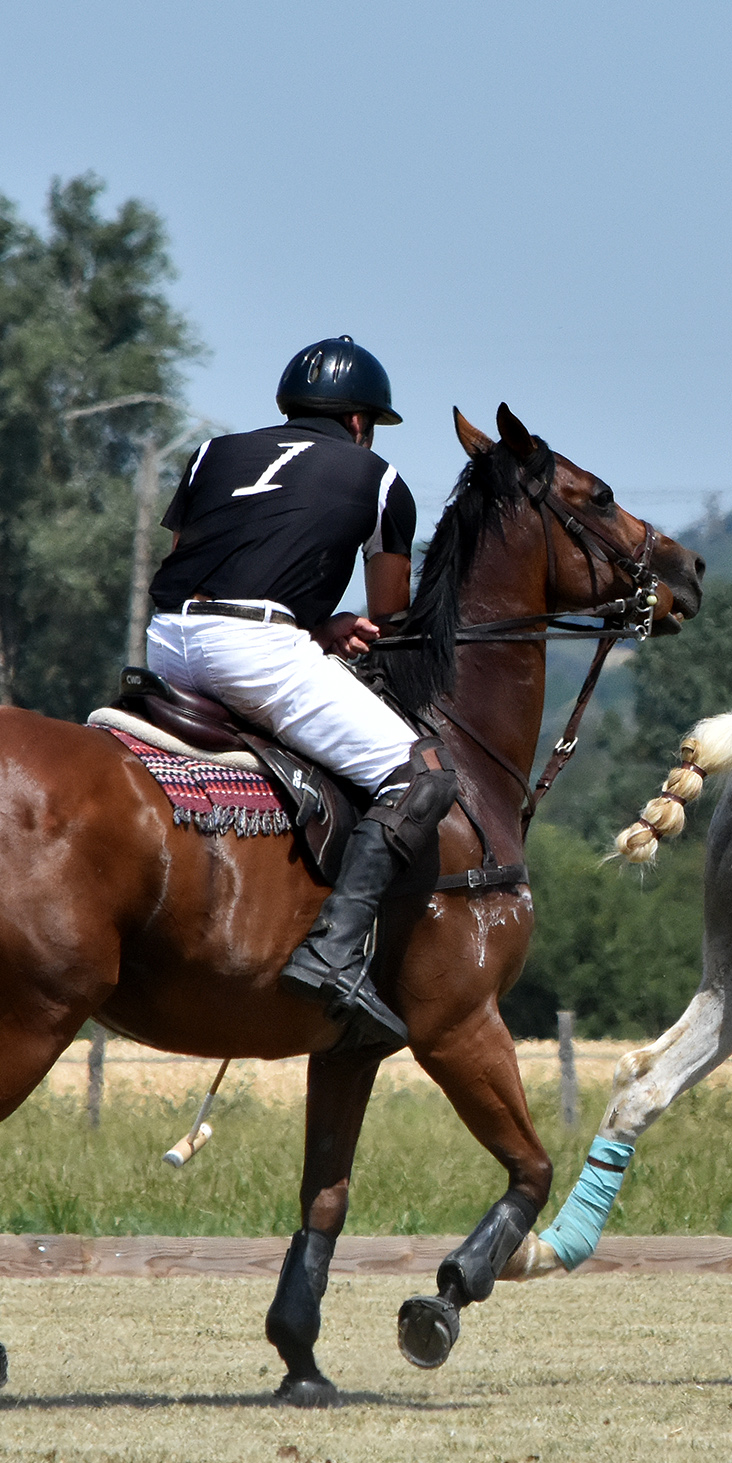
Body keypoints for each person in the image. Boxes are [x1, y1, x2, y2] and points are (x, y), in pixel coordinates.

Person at [143, 335, 449, 1050]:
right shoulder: (378, 476)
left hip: (167, 640)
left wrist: (312, 626)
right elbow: (391, 613)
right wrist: (330, 626)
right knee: (422, 776)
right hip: (255, 653)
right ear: (359, 423)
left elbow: (203, 556)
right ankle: (334, 954)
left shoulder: (210, 454)